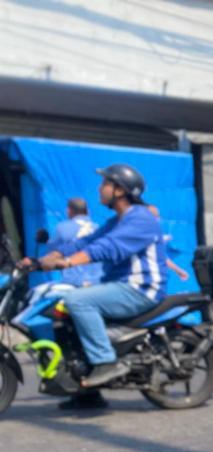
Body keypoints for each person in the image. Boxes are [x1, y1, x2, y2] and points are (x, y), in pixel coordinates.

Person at [32, 163, 168, 389]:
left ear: (120, 190)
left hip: (141, 288)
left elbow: (107, 247)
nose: (99, 188)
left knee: (77, 300)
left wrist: (68, 262)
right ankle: (86, 391)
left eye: (105, 183)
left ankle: (106, 362)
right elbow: (86, 242)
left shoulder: (140, 219)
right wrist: (44, 259)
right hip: (119, 285)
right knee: (65, 313)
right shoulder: (117, 221)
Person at [49, 198, 103, 287]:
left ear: (68, 211)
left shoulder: (62, 228)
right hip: (98, 282)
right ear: (88, 211)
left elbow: (52, 253)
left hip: (73, 283)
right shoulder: (99, 228)